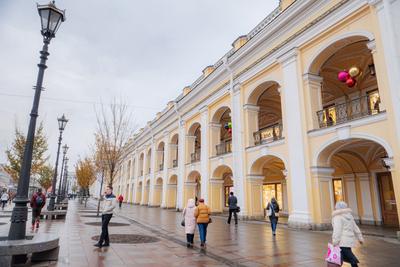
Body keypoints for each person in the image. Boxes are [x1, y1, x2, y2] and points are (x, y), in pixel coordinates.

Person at [332, 201, 364, 267]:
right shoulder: (350, 216)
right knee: (342, 256)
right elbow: (355, 228)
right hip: (349, 240)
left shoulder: (338, 217)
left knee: (349, 257)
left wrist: (335, 241)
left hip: (342, 241)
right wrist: (360, 238)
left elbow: (337, 230)